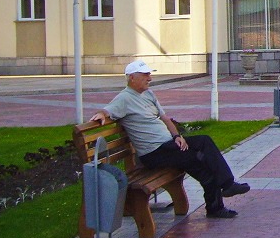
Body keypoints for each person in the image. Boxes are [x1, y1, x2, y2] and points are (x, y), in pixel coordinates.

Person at [88, 59, 250, 219]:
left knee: (204, 150)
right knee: (202, 156)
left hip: (168, 146)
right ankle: (225, 189)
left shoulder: (148, 94)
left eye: (149, 74)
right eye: (145, 75)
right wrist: (101, 114)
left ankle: (218, 204)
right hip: (153, 154)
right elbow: (108, 110)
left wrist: (177, 136)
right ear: (132, 77)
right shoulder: (124, 98)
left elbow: (165, 118)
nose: (150, 78)